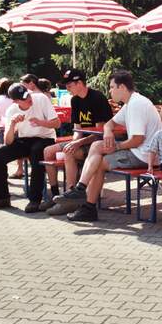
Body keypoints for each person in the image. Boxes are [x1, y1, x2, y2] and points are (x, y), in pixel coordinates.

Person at [52, 70, 162, 222]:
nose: (109, 91)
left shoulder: (136, 104)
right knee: (97, 146)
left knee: (99, 163)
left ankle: (86, 203)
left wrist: (116, 147)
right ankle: (81, 191)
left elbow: (137, 139)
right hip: (139, 151)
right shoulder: (130, 103)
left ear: (121, 87)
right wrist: (108, 131)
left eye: (111, 87)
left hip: (146, 156)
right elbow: (110, 123)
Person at [41, 69, 113, 215]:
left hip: (97, 143)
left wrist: (76, 144)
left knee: (69, 152)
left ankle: (70, 197)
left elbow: (100, 133)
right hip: (83, 141)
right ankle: (56, 196)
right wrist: (74, 142)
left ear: (79, 83)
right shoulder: (75, 100)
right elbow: (77, 130)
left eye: (69, 86)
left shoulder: (97, 98)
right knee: (48, 151)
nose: (67, 89)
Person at [0, 83, 61, 213]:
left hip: (45, 138)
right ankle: (2, 198)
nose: (29, 99)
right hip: (24, 140)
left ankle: (35, 200)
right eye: (24, 98)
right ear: (15, 101)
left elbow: (57, 123)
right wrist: (12, 124)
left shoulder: (41, 98)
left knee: (36, 151)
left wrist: (41, 122)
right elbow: (8, 141)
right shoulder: (12, 110)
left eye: (28, 95)